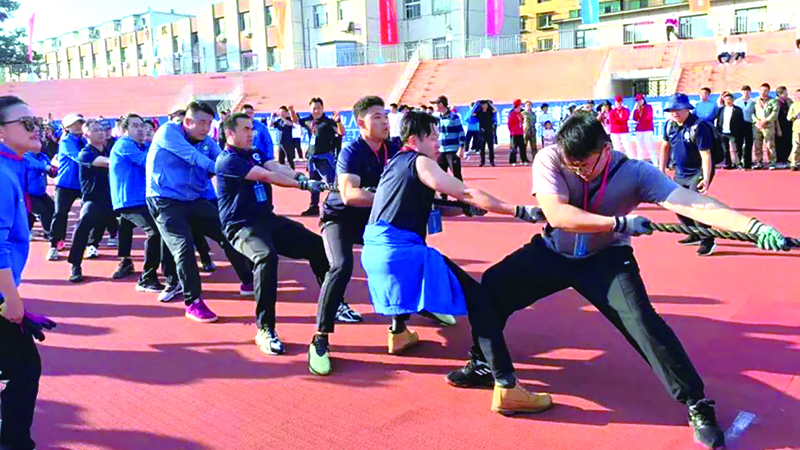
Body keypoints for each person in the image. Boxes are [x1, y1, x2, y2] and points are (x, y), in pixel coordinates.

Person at [447, 111, 790, 449]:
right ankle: (483, 362)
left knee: (644, 323)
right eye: (572, 166)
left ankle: (697, 404)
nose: (578, 172)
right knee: (491, 287)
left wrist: (754, 227)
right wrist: (619, 223)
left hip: (606, 259)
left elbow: (692, 203)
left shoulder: (636, 173)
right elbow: (558, 215)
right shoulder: (550, 158)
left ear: (606, 150)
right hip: (554, 252)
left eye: (585, 166)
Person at [362, 110, 553, 414]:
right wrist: (517, 210)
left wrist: (464, 210)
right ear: (414, 140)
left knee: (413, 286)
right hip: (401, 253)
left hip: (375, 252)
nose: (438, 142)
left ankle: (398, 334)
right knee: (481, 300)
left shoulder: (395, 163)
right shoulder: (421, 161)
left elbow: (427, 205)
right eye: (433, 137)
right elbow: (465, 191)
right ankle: (506, 384)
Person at [215, 112, 330, 354]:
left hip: (267, 219)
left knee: (316, 245)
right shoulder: (227, 160)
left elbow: (273, 166)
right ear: (230, 133)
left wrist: (300, 176)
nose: (252, 133)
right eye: (246, 129)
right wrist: (303, 185)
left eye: (252, 128)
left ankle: (334, 304)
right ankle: (265, 329)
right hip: (240, 226)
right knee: (266, 257)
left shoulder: (254, 153)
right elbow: (265, 175)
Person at [309, 96, 399, 375]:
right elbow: (349, 195)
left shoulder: (394, 148)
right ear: (360, 123)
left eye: (385, 116)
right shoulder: (351, 152)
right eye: (376, 117)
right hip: (339, 219)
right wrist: (392, 196)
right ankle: (320, 338)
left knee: (402, 255)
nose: (384, 121)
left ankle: (401, 325)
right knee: (341, 266)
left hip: (371, 219)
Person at [146, 101, 255, 323]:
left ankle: (248, 281)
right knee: (184, 247)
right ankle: (193, 302)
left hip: (193, 199)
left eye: (209, 123)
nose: (206, 128)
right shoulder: (168, 132)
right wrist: (234, 171)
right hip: (165, 201)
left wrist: (245, 167)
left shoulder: (206, 140)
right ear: (188, 121)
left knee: (228, 232)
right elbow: (196, 159)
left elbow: (222, 157)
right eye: (202, 122)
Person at [0, 96, 50, 450]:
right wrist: (11, 299)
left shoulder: (13, 165)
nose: (37, 130)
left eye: (37, 123)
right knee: (24, 369)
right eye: (27, 124)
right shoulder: (2, 175)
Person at [109, 113, 180, 297]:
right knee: (156, 231)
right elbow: (148, 161)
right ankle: (147, 278)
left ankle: (169, 274)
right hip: (129, 201)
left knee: (162, 229)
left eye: (142, 125)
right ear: (125, 130)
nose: (140, 129)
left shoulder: (143, 146)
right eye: (135, 126)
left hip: (143, 199)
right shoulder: (124, 145)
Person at [659, 93, 717, 257]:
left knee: (695, 204)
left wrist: (706, 178)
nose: (674, 113)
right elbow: (664, 147)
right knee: (676, 202)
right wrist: (661, 170)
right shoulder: (669, 125)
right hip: (680, 171)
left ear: (687, 109)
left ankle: (708, 240)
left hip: (698, 171)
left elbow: (706, 154)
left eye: (678, 109)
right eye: (671, 110)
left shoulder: (698, 127)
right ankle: (693, 233)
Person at [66, 120, 115, 282]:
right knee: (83, 225)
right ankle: (75, 264)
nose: (100, 132)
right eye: (95, 130)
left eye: (101, 129)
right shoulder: (86, 153)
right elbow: (109, 163)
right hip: (94, 200)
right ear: (86, 134)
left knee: (128, 226)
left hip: (112, 200)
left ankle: (126, 263)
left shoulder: (109, 150)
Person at [291, 98, 343, 217]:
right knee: (313, 184)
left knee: (331, 184)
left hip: (325, 159)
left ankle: (337, 206)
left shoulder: (328, 122)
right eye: (314, 108)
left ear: (322, 108)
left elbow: (341, 132)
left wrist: (339, 122)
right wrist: (292, 111)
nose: (316, 110)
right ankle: (313, 207)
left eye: (319, 108)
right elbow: (296, 121)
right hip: (312, 158)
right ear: (310, 109)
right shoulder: (308, 121)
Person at [47, 113, 86, 261]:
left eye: (80, 123)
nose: (78, 126)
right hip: (65, 184)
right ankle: (54, 245)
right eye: (74, 124)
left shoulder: (83, 140)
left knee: (92, 211)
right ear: (67, 127)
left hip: (81, 184)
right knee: (60, 214)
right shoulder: (66, 141)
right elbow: (79, 157)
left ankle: (91, 243)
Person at [431, 95, 466, 182]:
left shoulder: (454, 117)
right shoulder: (436, 118)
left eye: (435, 104)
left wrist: (461, 148)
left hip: (452, 151)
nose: (434, 106)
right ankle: (443, 191)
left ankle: (460, 190)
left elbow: (461, 133)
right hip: (441, 151)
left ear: (441, 104)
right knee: (440, 176)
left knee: (456, 175)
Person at [24, 148, 56, 241]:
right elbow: (35, 164)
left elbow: (50, 171)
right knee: (42, 211)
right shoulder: (26, 156)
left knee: (52, 208)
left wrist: (53, 171)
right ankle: (48, 233)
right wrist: (46, 167)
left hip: (40, 192)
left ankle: (27, 230)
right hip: (27, 193)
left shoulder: (43, 157)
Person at [714, 92, 745, 170]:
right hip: (723, 132)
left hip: (734, 132)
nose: (728, 101)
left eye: (729, 99)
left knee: (736, 149)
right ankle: (728, 163)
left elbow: (741, 122)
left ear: (732, 100)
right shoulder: (721, 110)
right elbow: (718, 120)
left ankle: (738, 163)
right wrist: (718, 130)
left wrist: (740, 132)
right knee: (725, 149)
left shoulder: (737, 110)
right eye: (726, 100)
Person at [753, 83, 778, 170]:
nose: (763, 92)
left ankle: (772, 162)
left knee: (770, 145)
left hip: (768, 126)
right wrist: (757, 121)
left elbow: (775, 113)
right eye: (761, 90)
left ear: (768, 91)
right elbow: (752, 113)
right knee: (757, 145)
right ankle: (759, 162)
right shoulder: (755, 101)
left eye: (765, 91)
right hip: (757, 126)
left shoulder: (773, 101)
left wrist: (765, 121)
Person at [734, 85, 756, 169]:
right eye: (744, 91)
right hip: (739, 124)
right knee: (738, 144)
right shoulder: (737, 102)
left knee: (749, 143)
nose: (746, 93)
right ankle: (738, 162)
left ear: (750, 92)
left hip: (749, 123)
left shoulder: (753, 102)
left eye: (747, 91)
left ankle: (748, 162)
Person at [632, 93, 657, 165]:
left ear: (643, 100)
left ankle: (655, 162)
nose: (639, 102)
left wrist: (640, 120)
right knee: (639, 147)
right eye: (637, 101)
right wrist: (636, 110)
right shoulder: (637, 109)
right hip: (639, 130)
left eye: (640, 100)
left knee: (650, 146)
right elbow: (634, 118)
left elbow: (649, 117)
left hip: (647, 129)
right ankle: (640, 162)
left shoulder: (648, 107)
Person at [775, 86, 794, 168]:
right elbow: (775, 117)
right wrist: (778, 128)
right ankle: (780, 160)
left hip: (788, 126)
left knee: (788, 142)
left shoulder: (789, 101)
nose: (787, 94)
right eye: (785, 93)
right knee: (780, 143)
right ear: (779, 94)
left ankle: (786, 160)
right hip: (780, 125)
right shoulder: (776, 103)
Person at [474, 100, 496, 167]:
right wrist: (475, 105)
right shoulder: (479, 112)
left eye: (486, 104)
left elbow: (495, 111)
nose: (484, 106)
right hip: (482, 132)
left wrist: (490, 104)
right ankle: (482, 161)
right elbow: (471, 114)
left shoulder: (490, 111)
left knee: (491, 147)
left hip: (489, 131)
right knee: (482, 148)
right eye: (483, 105)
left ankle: (492, 161)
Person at [507, 99, 527, 165]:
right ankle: (513, 161)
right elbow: (509, 124)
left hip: (520, 133)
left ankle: (523, 160)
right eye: (519, 106)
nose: (520, 108)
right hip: (514, 133)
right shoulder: (512, 114)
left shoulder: (521, 114)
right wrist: (512, 131)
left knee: (522, 147)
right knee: (513, 148)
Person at [788, 88, 800, 171]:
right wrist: (795, 116)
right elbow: (788, 117)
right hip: (796, 129)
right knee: (796, 147)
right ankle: (794, 163)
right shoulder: (793, 105)